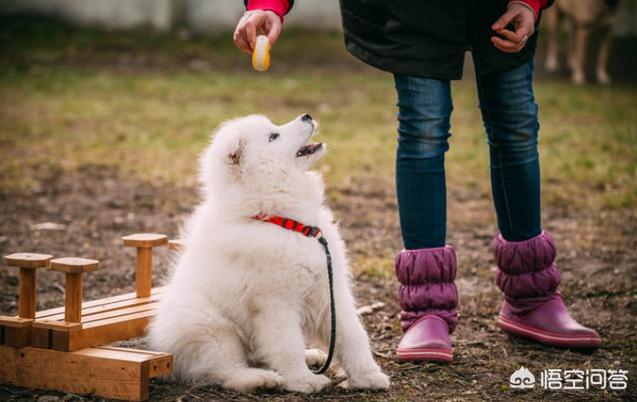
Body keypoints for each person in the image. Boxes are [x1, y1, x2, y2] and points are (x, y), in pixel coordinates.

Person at [233, 0, 602, 363]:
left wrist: (530, 2)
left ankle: (532, 296)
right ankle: (427, 310)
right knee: (424, 129)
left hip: (502, 5)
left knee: (517, 125)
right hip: (416, 10)